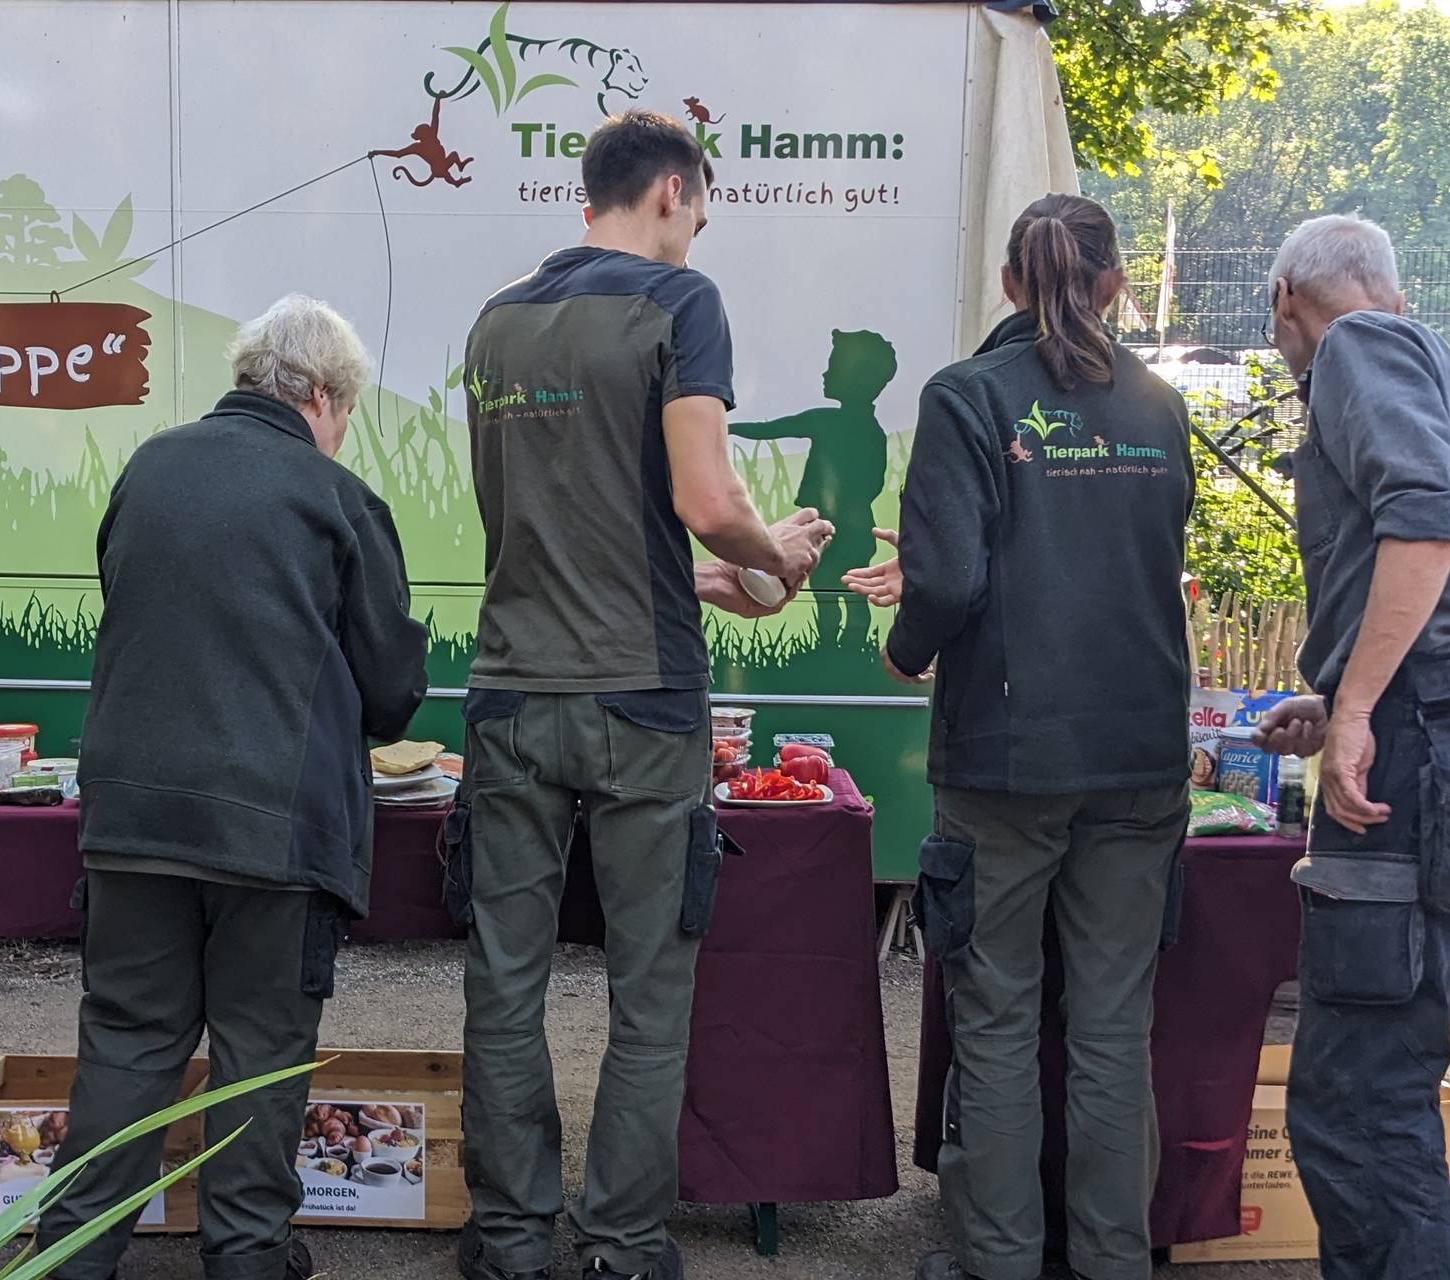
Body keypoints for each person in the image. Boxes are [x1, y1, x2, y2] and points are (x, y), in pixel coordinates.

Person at [450, 109, 831, 1280]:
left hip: (510, 693)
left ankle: (510, 1239)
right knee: (647, 991)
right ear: (672, 190)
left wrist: (700, 578)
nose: (697, 231)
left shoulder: (496, 318)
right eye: (700, 210)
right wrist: (772, 555)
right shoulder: (680, 302)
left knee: (503, 984)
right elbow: (707, 502)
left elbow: (565, 527)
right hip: (640, 701)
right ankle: (618, 1244)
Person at [31, 295, 430, 1280]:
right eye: (348, 411)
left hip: (130, 819)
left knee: (128, 1041)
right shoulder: (337, 499)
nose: (343, 430)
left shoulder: (150, 468)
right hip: (272, 831)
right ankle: (247, 1258)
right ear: (321, 395)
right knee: (259, 1052)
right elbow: (391, 697)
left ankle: (67, 1260)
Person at [874, 194, 1195, 1280]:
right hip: (1140, 754)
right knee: (1112, 1025)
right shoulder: (1158, 404)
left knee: (998, 1018)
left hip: (1006, 757)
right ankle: (1111, 1259)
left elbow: (946, 578)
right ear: (1114, 283)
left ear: (1010, 281)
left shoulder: (968, 395)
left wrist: (907, 650)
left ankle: (1000, 1258)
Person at [1246, 214, 1450, 1280]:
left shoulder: (1356, 346)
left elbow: (1426, 524)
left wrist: (1362, 707)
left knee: (1357, 1101)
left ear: (1285, 297)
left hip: (1423, 748)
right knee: (1392, 1075)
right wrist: (1341, 699)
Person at [731, 329, 899, 650]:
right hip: (855, 526)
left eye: (833, 367)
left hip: (830, 529)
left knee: (832, 589)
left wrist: (723, 426)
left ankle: (831, 648)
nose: (825, 373)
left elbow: (770, 430)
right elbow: (874, 482)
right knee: (851, 591)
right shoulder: (872, 431)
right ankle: (846, 648)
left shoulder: (827, 421)